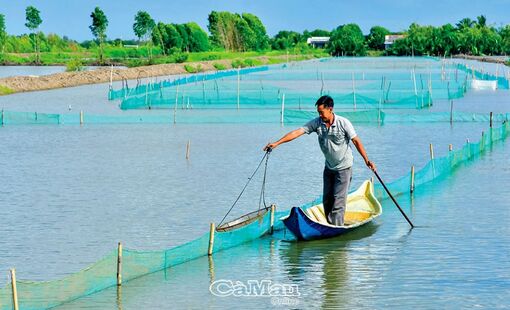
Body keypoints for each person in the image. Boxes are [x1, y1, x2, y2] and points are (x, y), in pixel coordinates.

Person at [264, 95, 376, 226]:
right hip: (329, 167)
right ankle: (329, 225)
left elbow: (356, 141)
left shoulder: (343, 123)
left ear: (330, 109)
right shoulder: (317, 123)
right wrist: (277, 143)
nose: (320, 115)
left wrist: (366, 160)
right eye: (318, 112)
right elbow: (297, 132)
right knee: (327, 200)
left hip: (344, 167)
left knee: (338, 201)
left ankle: (336, 228)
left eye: (322, 112)